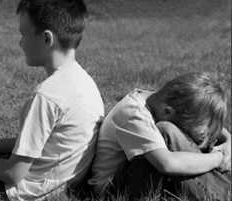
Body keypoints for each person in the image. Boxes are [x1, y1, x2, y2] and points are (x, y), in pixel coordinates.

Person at [0, 0, 104, 200]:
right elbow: (39, 142)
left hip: (24, 191)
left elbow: (12, 174)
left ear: (46, 39)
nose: (20, 43)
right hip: (62, 183)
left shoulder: (46, 97)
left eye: (23, 34)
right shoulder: (84, 82)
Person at [88, 72, 231, 200]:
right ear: (167, 112)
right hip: (114, 189)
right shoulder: (134, 114)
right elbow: (167, 164)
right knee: (166, 130)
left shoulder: (161, 101)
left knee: (196, 135)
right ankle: (223, 193)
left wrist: (229, 140)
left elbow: (208, 124)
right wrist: (218, 158)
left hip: (138, 171)